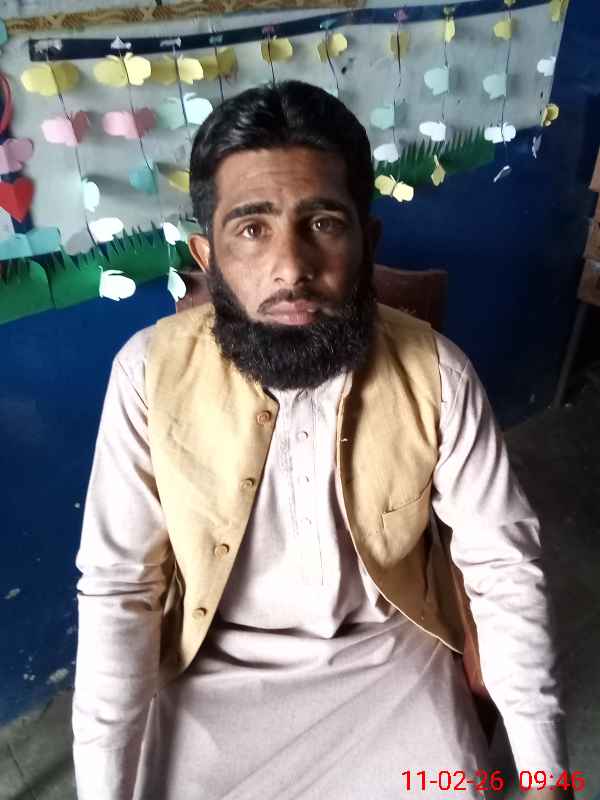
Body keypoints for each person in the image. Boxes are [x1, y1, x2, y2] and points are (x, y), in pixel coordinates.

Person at [72, 80, 570, 800]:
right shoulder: (148, 374)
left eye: (324, 223)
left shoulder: (438, 374)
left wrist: (547, 778)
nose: (292, 268)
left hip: (389, 661)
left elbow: (504, 565)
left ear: (367, 242)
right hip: (208, 671)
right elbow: (118, 588)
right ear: (207, 257)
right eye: (252, 229)